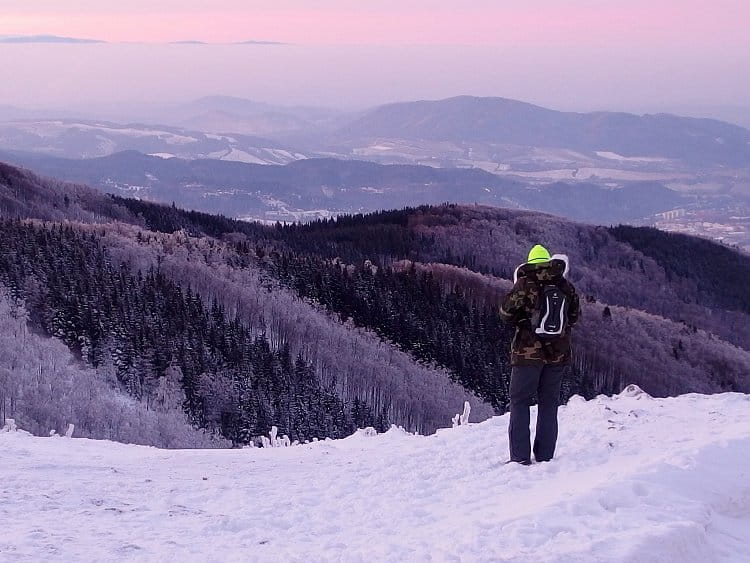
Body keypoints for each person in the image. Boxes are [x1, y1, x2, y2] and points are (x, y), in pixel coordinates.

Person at [499, 244, 580, 465]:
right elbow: (574, 316)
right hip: (557, 354)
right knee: (549, 403)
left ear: (530, 263)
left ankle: (520, 457)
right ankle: (545, 456)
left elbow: (505, 311)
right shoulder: (565, 286)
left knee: (519, 402)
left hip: (527, 354)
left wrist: (524, 320)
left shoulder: (525, 283)